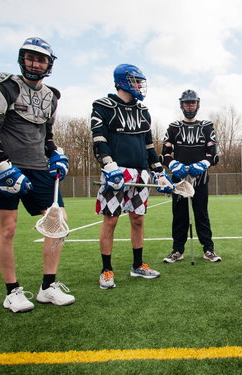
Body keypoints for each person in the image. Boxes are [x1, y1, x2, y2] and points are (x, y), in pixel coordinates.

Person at [0, 37, 74, 312]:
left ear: (49, 64)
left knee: (57, 223)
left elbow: (46, 136)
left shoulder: (51, 97)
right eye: (30, 57)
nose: (35, 63)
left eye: (41, 59)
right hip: (6, 167)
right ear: (21, 59)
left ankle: (48, 287)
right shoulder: (5, 87)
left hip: (39, 168)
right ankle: (12, 291)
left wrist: (55, 154)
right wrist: (3, 169)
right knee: (8, 227)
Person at [91, 63, 173, 290]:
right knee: (111, 219)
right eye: (136, 81)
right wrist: (108, 165)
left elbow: (148, 145)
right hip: (116, 171)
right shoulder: (102, 106)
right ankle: (106, 269)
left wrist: (159, 173)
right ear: (123, 81)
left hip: (140, 173)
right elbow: (99, 139)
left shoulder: (143, 111)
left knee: (137, 219)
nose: (139, 85)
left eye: (140, 81)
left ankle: (138, 265)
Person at [160, 89, 221, 263]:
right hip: (179, 178)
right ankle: (177, 250)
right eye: (187, 103)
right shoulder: (173, 128)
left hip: (199, 178)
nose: (190, 106)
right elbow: (165, 153)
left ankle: (208, 249)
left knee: (201, 213)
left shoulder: (207, 126)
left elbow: (213, 154)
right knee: (179, 215)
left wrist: (203, 164)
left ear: (198, 104)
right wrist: (173, 164)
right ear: (181, 105)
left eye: (192, 102)